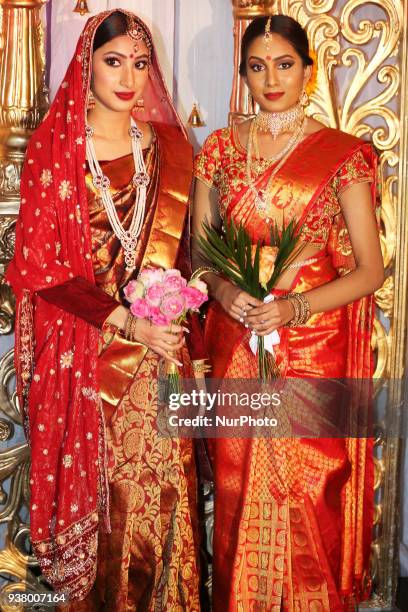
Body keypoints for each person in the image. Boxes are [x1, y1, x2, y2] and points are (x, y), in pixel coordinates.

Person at [7, 9, 204, 611]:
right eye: (114, 61)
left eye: (140, 64)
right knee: (107, 496)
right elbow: (41, 269)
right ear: (86, 65)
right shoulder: (54, 150)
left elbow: (189, 250)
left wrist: (178, 315)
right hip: (87, 352)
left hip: (160, 350)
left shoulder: (169, 146)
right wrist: (129, 323)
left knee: (162, 491)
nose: (128, 77)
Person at [192, 15, 384, 611]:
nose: (270, 79)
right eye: (256, 66)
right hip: (238, 339)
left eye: (283, 64)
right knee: (237, 485)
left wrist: (294, 308)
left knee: (309, 487)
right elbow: (201, 253)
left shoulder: (343, 156)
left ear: (308, 68)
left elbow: (370, 271)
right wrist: (224, 293)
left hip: (310, 346)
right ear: (243, 73)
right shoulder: (220, 149)